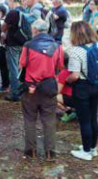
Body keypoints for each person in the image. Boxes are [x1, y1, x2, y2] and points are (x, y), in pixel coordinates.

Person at [19, 19, 64, 161]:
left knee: (30, 119)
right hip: (49, 87)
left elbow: (22, 64)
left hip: (31, 88)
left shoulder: (28, 46)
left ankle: (31, 151)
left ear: (35, 30)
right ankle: (50, 153)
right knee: (49, 120)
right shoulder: (57, 46)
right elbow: (60, 66)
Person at [66, 21, 98, 161]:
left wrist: (67, 80)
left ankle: (86, 152)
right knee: (93, 117)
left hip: (82, 87)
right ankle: (93, 148)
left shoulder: (75, 51)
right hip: (96, 85)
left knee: (84, 120)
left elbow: (75, 75)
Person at [2, 0, 25, 102]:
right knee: (21, 67)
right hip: (24, 43)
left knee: (13, 69)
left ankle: (15, 93)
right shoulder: (25, 10)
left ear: (12, 0)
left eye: (8, 2)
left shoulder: (13, 12)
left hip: (13, 44)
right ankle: (22, 89)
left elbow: (3, 27)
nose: (8, 4)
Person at [0, 4, 10, 92]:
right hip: (2, 46)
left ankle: (5, 85)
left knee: (3, 66)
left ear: (1, 12)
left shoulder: (1, 22)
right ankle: (5, 84)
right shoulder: (3, 21)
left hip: (1, 46)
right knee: (3, 66)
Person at [57, 53, 76, 123]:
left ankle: (68, 112)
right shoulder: (75, 71)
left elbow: (57, 91)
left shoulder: (64, 73)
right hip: (81, 96)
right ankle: (74, 110)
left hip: (72, 98)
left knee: (51, 97)